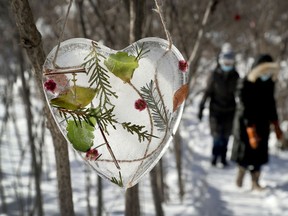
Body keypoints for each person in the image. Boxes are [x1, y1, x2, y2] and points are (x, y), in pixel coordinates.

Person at [231, 54, 283, 190]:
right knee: (245, 152)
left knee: (259, 154)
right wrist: (249, 128)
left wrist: (276, 123)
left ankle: (255, 181)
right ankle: (241, 170)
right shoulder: (245, 83)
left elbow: (271, 104)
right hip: (245, 123)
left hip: (262, 123)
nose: (267, 74)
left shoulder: (269, 83)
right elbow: (243, 106)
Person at [198, 43, 240, 167]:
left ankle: (223, 157)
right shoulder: (214, 75)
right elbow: (207, 92)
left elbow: (239, 92)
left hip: (230, 110)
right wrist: (201, 107)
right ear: (220, 61)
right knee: (217, 135)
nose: (227, 65)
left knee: (226, 135)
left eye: (229, 63)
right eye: (225, 62)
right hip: (215, 110)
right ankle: (214, 156)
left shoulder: (236, 76)